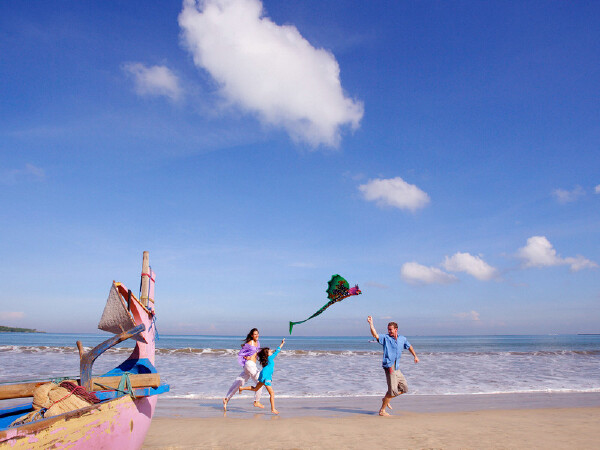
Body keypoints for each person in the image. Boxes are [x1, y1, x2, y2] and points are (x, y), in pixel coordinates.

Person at [367, 316, 419, 416]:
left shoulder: (402, 339)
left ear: (396, 329)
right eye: (388, 329)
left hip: (397, 367)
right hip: (389, 366)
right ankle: (382, 410)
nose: (389, 331)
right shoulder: (385, 338)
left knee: (404, 389)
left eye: (391, 329)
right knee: (392, 391)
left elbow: (409, 346)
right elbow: (375, 335)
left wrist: (415, 356)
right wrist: (371, 324)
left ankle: (386, 398)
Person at [239, 338, 285, 414]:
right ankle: (273, 409)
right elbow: (277, 351)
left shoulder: (266, 359)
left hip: (262, 374)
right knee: (272, 393)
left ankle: (242, 388)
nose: (271, 352)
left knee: (256, 388)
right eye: (270, 351)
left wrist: (248, 357)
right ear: (267, 354)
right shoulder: (270, 358)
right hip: (266, 377)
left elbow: (256, 355)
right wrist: (282, 344)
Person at [223, 328, 265, 411]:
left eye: (257, 334)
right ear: (252, 335)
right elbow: (241, 353)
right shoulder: (250, 343)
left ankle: (226, 399)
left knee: (239, 382)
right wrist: (246, 357)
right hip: (249, 365)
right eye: (255, 334)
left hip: (252, 366)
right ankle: (256, 401)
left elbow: (257, 353)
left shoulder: (258, 343)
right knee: (260, 382)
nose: (257, 336)